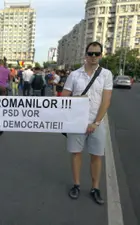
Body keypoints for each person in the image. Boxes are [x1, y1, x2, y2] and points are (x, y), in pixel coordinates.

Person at [62, 41, 113, 205]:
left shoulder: (106, 74)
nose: (93, 57)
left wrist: (96, 123)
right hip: (77, 122)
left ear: (101, 55)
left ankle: (95, 187)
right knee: (76, 153)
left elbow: (106, 101)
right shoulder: (74, 75)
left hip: (97, 122)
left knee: (96, 156)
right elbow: (64, 98)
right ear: (85, 55)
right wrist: (76, 100)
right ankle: (76, 184)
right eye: (90, 53)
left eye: (97, 54)